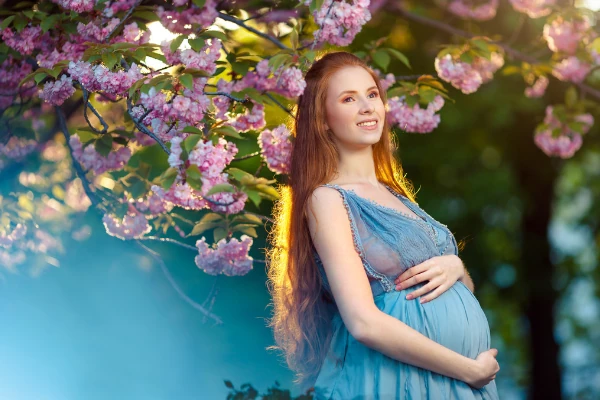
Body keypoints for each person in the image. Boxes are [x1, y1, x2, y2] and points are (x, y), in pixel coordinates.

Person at [265, 51, 500, 399]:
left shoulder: (396, 194)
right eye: (348, 98)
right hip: (399, 380)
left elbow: (448, 289)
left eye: (372, 94)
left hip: (454, 382)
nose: (367, 106)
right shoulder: (327, 199)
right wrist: (468, 369)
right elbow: (363, 323)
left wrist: (457, 267)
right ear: (323, 119)